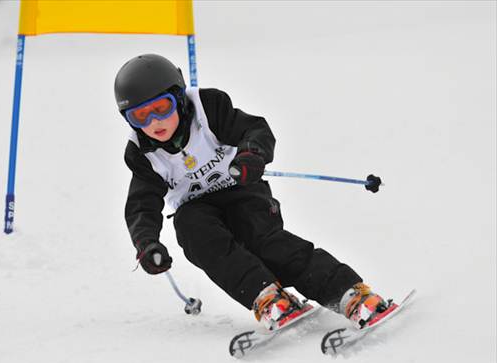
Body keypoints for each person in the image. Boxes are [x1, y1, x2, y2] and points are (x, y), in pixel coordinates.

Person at [115, 54, 389, 331]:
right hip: (196, 210)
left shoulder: (208, 108)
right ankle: (267, 298)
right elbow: (141, 204)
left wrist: (251, 156)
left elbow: (254, 129)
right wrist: (146, 243)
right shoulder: (142, 153)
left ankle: (350, 294)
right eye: (140, 115)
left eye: (162, 107)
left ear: (179, 98)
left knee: (265, 243)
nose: (153, 122)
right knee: (193, 230)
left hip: (242, 190)